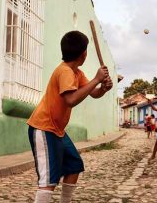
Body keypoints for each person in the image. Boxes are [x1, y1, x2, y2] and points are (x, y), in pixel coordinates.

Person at [27, 31, 113, 203]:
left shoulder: (77, 73)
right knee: (48, 181)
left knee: (74, 166)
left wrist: (103, 88)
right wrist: (97, 79)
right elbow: (71, 99)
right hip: (43, 128)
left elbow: (93, 93)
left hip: (57, 130)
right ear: (84, 54)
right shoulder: (65, 71)